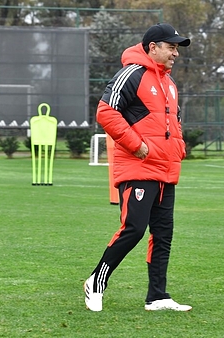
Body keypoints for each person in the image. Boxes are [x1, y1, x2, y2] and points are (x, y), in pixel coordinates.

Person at [84, 23, 192, 312]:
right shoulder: (131, 73)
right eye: (171, 48)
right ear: (152, 47)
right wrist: (136, 145)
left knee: (163, 234)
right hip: (138, 167)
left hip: (165, 170)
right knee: (133, 229)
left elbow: (174, 124)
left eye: (177, 49)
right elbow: (106, 112)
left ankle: (157, 296)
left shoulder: (169, 84)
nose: (175, 54)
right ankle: (96, 281)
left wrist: (179, 150)